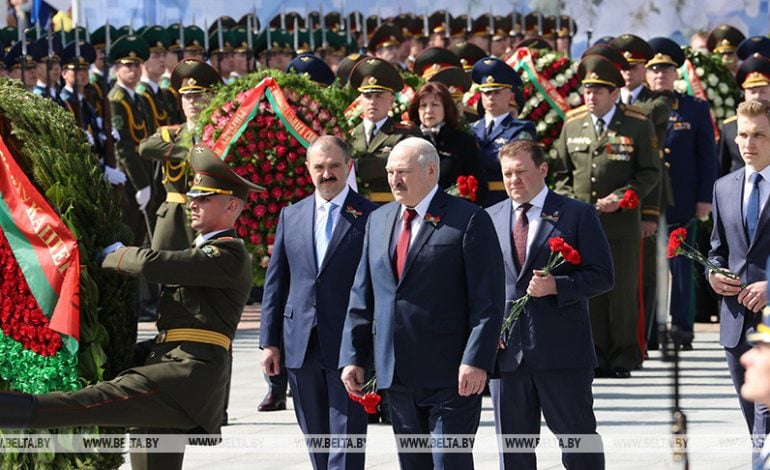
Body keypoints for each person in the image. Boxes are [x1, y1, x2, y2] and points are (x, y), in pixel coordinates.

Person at [0, 144, 263, 470]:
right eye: (193, 196)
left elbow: (157, 264)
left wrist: (115, 253)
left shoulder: (229, 254)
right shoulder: (203, 250)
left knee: (87, 403)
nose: (194, 203)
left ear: (232, 206)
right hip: (171, 368)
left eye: (205, 198)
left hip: (183, 377)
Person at [339, 137, 505, 469]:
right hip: (397, 372)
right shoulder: (378, 219)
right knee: (413, 463)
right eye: (389, 172)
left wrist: (477, 360)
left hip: (452, 374)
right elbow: (363, 294)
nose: (394, 180)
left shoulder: (468, 219)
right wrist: (353, 357)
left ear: (431, 171)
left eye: (403, 171)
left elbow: (487, 299)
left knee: (449, 461)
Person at [487, 139, 612, 469]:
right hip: (507, 356)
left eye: (522, 172)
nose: (514, 180)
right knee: (514, 451)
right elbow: (479, 286)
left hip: (562, 352)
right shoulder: (489, 218)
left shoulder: (577, 214)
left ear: (542, 170)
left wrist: (559, 285)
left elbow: (603, 275)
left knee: (578, 442)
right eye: (507, 174)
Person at [260, 136, 375, 470]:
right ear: (308, 170)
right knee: (316, 438)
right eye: (320, 167)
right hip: (300, 343)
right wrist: (269, 342)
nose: (327, 174)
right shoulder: (291, 216)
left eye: (335, 166)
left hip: (348, 344)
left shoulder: (371, 215)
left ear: (349, 167)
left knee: (347, 437)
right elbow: (276, 283)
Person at [551, 54, 660, 378]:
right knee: (589, 291)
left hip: (621, 223)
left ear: (614, 94)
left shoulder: (638, 123)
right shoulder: (572, 123)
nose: (591, 96)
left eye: (599, 91)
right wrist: (571, 202)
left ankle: (624, 356)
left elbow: (650, 172)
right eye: (587, 89)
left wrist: (625, 198)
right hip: (582, 225)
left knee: (623, 291)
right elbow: (559, 173)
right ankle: (594, 354)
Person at [708, 99, 770, 464]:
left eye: (759, 135)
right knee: (753, 419)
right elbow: (718, 250)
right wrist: (714, 275)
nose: (749, 143)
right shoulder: (724, 187)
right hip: (735, 321)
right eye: (743, 135)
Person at [647, 37, 718, 349]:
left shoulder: (694, 108)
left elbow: (707, 157)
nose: (660, 75)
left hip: (683, 200)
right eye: (654, 69)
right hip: (646, 202)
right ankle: (650, 331)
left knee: (681, 264)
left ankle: (683, 330)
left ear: (677, 73)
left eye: (666, 69)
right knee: (648, 268)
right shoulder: (638, 109)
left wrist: (705, 197)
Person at [610, 34, 675, 355]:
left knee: (646, 270)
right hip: (609, 196)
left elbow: (643, 122)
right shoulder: (610, 99)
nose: (627, 73)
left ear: (645, 69)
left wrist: (650, 212)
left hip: (646, 195)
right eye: (622, 67)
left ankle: (646, 334)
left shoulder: (660, 100)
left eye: (634, 66)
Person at [139, 59, 220, 252]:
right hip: (175, 216)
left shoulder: (220, 134)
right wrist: (190, 153)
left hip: (210, 213)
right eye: (187, 97)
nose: (192, 102)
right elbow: (145, 147)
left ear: (211, 98)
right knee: (164, 271)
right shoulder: (170, 134)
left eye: (198, 96)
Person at [348, 57, 421, 202]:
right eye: (367, 96)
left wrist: (355, 165)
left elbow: (403, 166)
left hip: (391, 206)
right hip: (355, 208)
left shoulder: (406, 134)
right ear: (360, 100)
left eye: (379, 96)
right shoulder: (349, 135)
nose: (372, 102)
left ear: (391, 101)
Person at [469, 57, 535, 206]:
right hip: (473, 201)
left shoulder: (521, 129)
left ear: (510, 96)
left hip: (505, 199)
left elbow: (516, 163)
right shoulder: (471, 128)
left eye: (497, 92)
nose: (491, 97)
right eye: (486, 93)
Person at [407, 81, 487, 202]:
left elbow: (479, 187)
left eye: (435, 105)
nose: (428, 110)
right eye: (423, 105)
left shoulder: (463, 141)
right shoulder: (408, 142)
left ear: (446, 108)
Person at [720, 55, 770, 176]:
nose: (757, 96)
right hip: (739, 189)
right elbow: (722, 166)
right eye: (752, 91)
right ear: (744, 93)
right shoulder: (730, 126)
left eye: (762, 90)